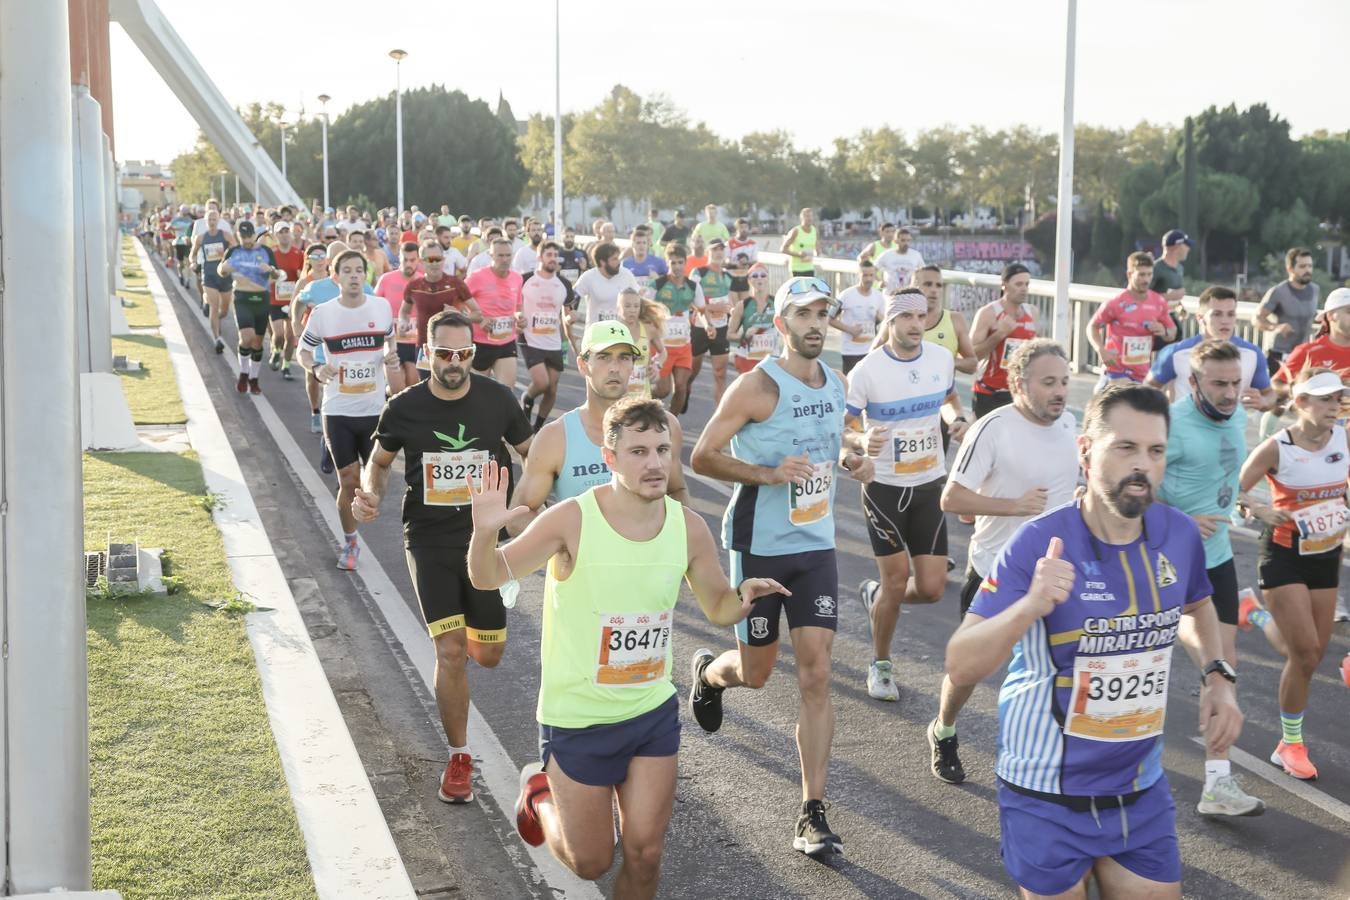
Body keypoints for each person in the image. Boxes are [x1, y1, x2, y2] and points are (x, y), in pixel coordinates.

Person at [466, 398, 784, 899]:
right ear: (609, 459)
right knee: (592, 862)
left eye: (662, 449)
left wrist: (743, 599)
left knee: (646, 853)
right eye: (638, 451)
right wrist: (484, 532)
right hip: (577, 716)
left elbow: (718, 606)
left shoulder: (688, 526)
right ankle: (539, 795)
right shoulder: (571, 519)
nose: (655, 462)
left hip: (650, 710)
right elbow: (487, 576)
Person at [946, 381, 1244, 900]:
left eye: (1155, 451)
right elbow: (960, 662)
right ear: (1086, 450)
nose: (1143, 465)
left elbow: (1197, 605)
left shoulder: (1176, 533)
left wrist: (1217, 675)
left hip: (1138, 787)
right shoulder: (1039, 542)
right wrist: (1031, 606)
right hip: (1045, 792)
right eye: (1125, 447)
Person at [688, 276, 875, 857]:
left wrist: (850, 457)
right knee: (758, 672)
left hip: (815, 547)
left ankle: (811, 813)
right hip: (760, 545)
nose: (816, 323)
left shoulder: (836, 382)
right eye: (804, 314)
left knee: (816, 673)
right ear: (782, 324)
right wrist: (769, 474)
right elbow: (702, 456)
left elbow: (829, 439)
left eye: (824, 313)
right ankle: (709, 675)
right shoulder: (755, 387)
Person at [352, 309, 532, 805]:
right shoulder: (403, 407)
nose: (455, 363)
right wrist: (369, 493)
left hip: (485, 543)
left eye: (464, 354)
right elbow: (380, 462)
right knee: (450, 651)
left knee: (488, 655)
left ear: (473, 353)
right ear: (427, 353)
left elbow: (534, 454)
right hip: (428, 540)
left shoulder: (498, 399)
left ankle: (471, 637)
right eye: (445, 354)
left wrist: (535, 510)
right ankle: (459, 755)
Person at [934, 339, 1078, 785]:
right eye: (1048, 382)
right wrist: (1015, 506)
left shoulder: (1071, 424)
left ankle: (1051, 759)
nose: (1060, 392)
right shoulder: (991, 429)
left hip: (1054, 576)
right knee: (968, 672)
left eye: (1065, 382)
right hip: (996, 570)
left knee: (1058, 672)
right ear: (1019, 383)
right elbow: (951, 498)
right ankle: (944, 729)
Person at [1151, 339, 1267, 816]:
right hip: (1163, 562)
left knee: (1221, 667)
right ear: (1193, 382)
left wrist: (1246, 501)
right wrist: (1178, 520)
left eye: (1236, 383)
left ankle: (1217, 785)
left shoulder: (1237, 415)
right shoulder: (1171, 425)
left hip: (1214, 559)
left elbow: (1223, 474)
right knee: (1141, 666)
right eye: (1219, 384)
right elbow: (1134, 490)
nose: (1230, 393)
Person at [849, 291, 969, 702]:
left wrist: (957, 420)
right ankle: (880, 664)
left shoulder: (940, 359)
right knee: (897, 581)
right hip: (884, 489)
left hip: (929, 484)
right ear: (891, 321)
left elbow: (950, 399)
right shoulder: (867, 371)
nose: (916, 324)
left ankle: (878, 598)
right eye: (907, 318)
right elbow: (843, 427)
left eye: (923, 316)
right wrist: (861, 438)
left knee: (933, 587)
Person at [1237, 367, 1347, 780]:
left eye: (1337, 398)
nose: (1333, 406)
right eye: (1324, 399)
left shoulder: (1344, 437)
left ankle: (1256, 613)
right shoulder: (1277, 447)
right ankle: (1290, 743)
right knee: (1303, 654)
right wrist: (1262, 509)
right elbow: (1235, 488)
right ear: (1301, 403)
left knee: (1311, 655)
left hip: (1326, 554)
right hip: (1283, 555)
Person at [512, 319, 686, 517]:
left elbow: (677, 490)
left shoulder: (666, 425)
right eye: (604, 357)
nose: (614, 367)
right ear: (583, 365)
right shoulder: (556, 437)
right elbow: (520, 514)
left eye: (624, 357)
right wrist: (564, 542)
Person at [298, 249, 398, 570]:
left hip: (373, 408)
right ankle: (350, 543)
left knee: (374, 481)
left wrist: (390, 356)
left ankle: (361, 506)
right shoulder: (323, 314)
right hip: (338, 408)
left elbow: (390, 341)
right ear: (335, 276)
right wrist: (315, 369)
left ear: (365, 276)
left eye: (360, 270)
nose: (355, 276)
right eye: (348, 271)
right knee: (349, 479)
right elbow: (303, 349)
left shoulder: (381, 307)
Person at [1147, 286, 1274, 410]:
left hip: (1230, 430)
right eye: (1217, 314)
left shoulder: (1252, 354)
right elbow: (1148, 388)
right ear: (1200, 318)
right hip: (1185, 430)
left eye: (1230, 314)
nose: (1225, 321)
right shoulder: (1176, 353)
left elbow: (1269, 394)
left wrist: (1263, 402)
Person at [1088, 252, 1176, 390]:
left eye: (1149, 274)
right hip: (1116, 370)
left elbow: (1172, 332)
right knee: (1122, 399)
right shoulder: (1115, 303)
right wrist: (1100, 349)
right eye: (1141, 275)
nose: (1146, 280)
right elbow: (1092, 327)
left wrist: (1163, 331)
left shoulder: (1158, 302)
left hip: (1142, 373)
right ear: (1129, 274)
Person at [401, 241, 481, 381]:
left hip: (453, 349)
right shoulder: (414, 286)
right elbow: (404, 311)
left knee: (452, 388)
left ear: (443, 260)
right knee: (426, 388)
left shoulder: (456, 284)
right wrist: (403, 322)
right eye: (430, 259)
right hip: (425, 347)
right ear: (422, 261)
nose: (435, 263)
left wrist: (458, 314)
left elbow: (478, 315)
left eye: (438, 259)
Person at [969, 263, 1039, 418]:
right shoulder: (988, 313)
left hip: (1019, 393)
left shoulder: (1032, 312)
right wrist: (999, 334)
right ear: (1004, 285)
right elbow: (972, 356)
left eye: (1027, 284)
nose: (1024, 288)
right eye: (1018, 284)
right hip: (989, 392)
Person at [217, 220, 278, 394]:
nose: (246, 240)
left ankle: (254, 378)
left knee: (258, 343)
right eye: (242, 236)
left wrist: (271, 270)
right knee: (247, 337)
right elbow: (221, 270)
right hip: (242, 298)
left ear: (254, 234)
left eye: (249, 236)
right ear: (238, 236)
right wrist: (225, 267)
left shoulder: (265, 252)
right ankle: (243, 373)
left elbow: (278, 275)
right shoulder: (234, 251)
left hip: (262, 299)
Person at [518, 241, 573, 431]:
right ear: (539, 257)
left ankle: (538, 427)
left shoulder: (564, 284)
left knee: (552, 389)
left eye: (555, 255)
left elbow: (568, 311)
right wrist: (518, 316)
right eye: (548, 254)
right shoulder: (524, 279)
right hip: (530, 338)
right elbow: (514, 304)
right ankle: (528, 397)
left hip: (553, 341)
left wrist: (571, 318)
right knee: (542, 382)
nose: (553, 258)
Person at [651, 243, 706, 416]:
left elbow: (702, 311)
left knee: (682, 386)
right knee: (662, 391)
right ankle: (644, 403)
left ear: (685, 263)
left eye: (680, 262)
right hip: (661, 347)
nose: (677, 267)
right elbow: (644, 309)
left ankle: (671, 423)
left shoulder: (693, 286)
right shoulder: (658, 285)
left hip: (683, 346)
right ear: (667, 263)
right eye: (673, 263)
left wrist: (708, 326)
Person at [465, 238, 524, 386]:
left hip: (506, 341)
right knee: (478, 393)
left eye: (508, 255)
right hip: (480, 342)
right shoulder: (476, 277)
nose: (505, 259)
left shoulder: (517, 278)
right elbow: (456, 307)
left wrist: (520, 318)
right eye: (500, 255)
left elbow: (518, 308)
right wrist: (480, 319)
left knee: (507, 391)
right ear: (491, 256)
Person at [1256, 247, 1320, 376]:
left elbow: (1311, 316)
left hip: (1303, 353)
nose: (1307, 270)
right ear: (1290, 268)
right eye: (1302, 266)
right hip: (1279, 354)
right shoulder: (1278, 292)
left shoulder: (1315, 290)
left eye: (1309, 266)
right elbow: (1257, 319)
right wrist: (1275, 327)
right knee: (1279, 394)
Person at [688, 239, 736, 404]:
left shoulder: (729, 276)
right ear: (709, 252)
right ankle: (683, 392)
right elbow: (690, 301)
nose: (719, 253)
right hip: (700, 326)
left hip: (721, 326)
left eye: (722, 250)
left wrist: (732, 311)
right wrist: (714, 307)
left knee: (720, 373)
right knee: (692, 370)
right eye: (715, 249)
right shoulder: (698, 273)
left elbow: (731, 304)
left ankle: (720, 414)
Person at [189, 207, 236, 355]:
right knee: (214, 308)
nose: (212, 222)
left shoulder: (226, 236)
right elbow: (193, 254)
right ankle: (217, 339)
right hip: (208, 275)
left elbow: (237, 251)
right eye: (209, 219)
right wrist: (193, 262)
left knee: (224, 310)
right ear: (206, 221)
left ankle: (215, 319)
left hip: (225, 276)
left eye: (214, 219)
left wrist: (231, 261)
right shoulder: (201, 238)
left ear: (219, 220)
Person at [916, 264, 978, 375]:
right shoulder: (899, 318)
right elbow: (875, 355)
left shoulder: (955, 320)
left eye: (938, 285)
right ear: (914, 286)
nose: (934, 290)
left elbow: (972, 364)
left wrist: (947, 361)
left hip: (942, 392)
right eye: (928, 284)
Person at [571, 241, 640, 335]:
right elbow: (572, 297)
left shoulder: (626, 274)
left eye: (618, 258)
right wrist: (570, 314)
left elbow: (639, 297)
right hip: (596, 334)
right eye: (614, 259)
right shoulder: (589, 276)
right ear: (602, 262)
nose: (619, 262)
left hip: (620, 334)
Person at [831, 259, 885, 374]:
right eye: (865, 275)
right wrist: (849, 329)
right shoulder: (845, 295)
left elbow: (883, 321)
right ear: (858, 275)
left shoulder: (878, 296)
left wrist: (879, 318)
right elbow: (829, 318)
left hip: (871, 349)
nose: (869, 279)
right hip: (850, 351)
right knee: (850, 385)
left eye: (871, 275)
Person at [266, 221, 305, 381]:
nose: (284, 234)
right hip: (275, 300)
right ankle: (276, 351)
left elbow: (304, 276)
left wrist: (299, 275)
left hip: (292, 300)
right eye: (280, 232)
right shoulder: (271, 253)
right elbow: (264, 276)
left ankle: (287, 365)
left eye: (286, 231)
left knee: (290, 336)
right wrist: (271, 276)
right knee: (279, 334)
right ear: (276, 235)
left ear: (290, 233)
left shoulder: (299, 254)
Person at [617, 288, 667, 399]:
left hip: (642, 395)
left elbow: (663, 352)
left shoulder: (648, 329)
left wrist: (656, 365)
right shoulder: (613, 330)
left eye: (636, 306)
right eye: (627, 306)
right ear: (618, 309)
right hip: (619, 397)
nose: (632, 310)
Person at [728, 263, 776, 375]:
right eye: (755, 276)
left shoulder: (777, 303)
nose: (759, 278)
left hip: (770, 359)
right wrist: (744, 335)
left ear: (768, 278)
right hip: (747, 358)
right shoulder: (743, 305)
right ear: (749, 280)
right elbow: (729, 335)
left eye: (763, 275)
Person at [1151, 229, 1192, 347]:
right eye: (1186, 245)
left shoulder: (1180, 269)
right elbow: (1142, 296)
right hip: (1157, 325)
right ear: (1177, 246)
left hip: (1174, 323)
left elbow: (1175, 297)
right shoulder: (1156, 268)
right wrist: (1169, 296)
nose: (1188, 249)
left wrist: (1180, 308)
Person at [874, 227, 925, 294]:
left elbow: (923, 271)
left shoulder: (916, 255)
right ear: (895, 241)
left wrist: (916, 282)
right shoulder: (886, 255)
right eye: (903, 240)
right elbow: (873, 269)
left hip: (909, 295)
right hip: (890, 295)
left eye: (908, 240)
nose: (906, 243)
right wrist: (879, 281)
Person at [779, 207, 818, 278]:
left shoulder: (814, 230)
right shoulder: (795, 231)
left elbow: (816, 247)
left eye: (811, 216)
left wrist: (816, 252)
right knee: (799, 289)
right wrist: (798, 254)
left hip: (809, 267)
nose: (810, 218)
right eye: (807, 216)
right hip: (796, 269)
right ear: (801, 218)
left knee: (810, 289)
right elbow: (783, 249)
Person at [726, 218, 758, 303]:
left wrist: (746, 263)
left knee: (744, 305)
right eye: (741, 227)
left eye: (745, 227)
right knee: (734, 306)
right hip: (732, 278)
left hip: (746, 278)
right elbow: (726, 261)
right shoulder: (730, 243)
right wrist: (736, 265)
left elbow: (755, 261)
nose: (744, 229)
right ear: (737, 229)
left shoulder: (753, 244)